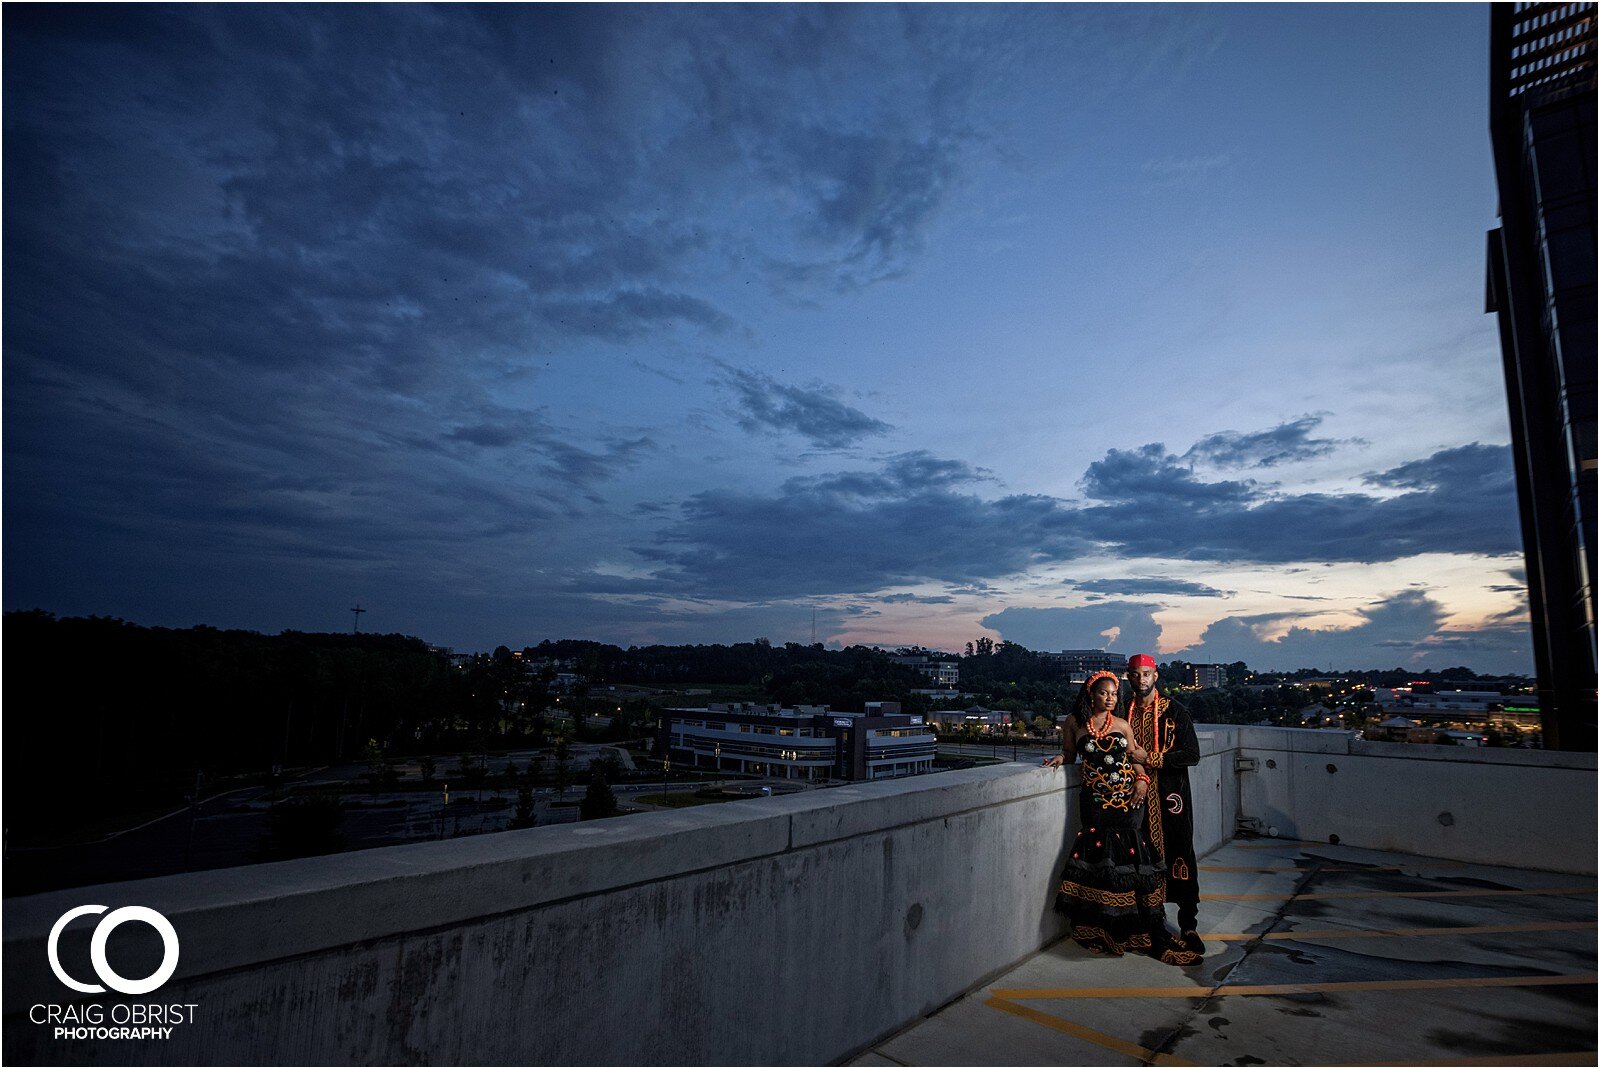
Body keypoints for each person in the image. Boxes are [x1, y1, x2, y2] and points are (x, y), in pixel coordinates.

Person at [1043, 672, 1198, 965]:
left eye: (1114, 693)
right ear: (1092, 696)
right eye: (1105, 693)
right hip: (1095, 802)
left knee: (1129, 863)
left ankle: (1134, 930)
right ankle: (1098, 931)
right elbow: (1069, 752)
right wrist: (1061, 758)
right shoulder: (1074, 723)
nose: (1111, 698)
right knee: (1100, 864)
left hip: (1128, 801)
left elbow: (1135, 759)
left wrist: (1142, 780)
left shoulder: (1123, 726)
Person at [1124, 653, 1204, 956]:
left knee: (1180, 853)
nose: (1140, 679)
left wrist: (1152, 759)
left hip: (1172, 799)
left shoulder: (1175, 711)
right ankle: (1148, 921)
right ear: (1129, 677)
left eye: (1146, 674)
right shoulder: (1124, 713)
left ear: (1155, 676)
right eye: (1135, 674)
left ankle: (1188, 926)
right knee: (1139, 857)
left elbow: (1191, 755)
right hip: (1135, 797)